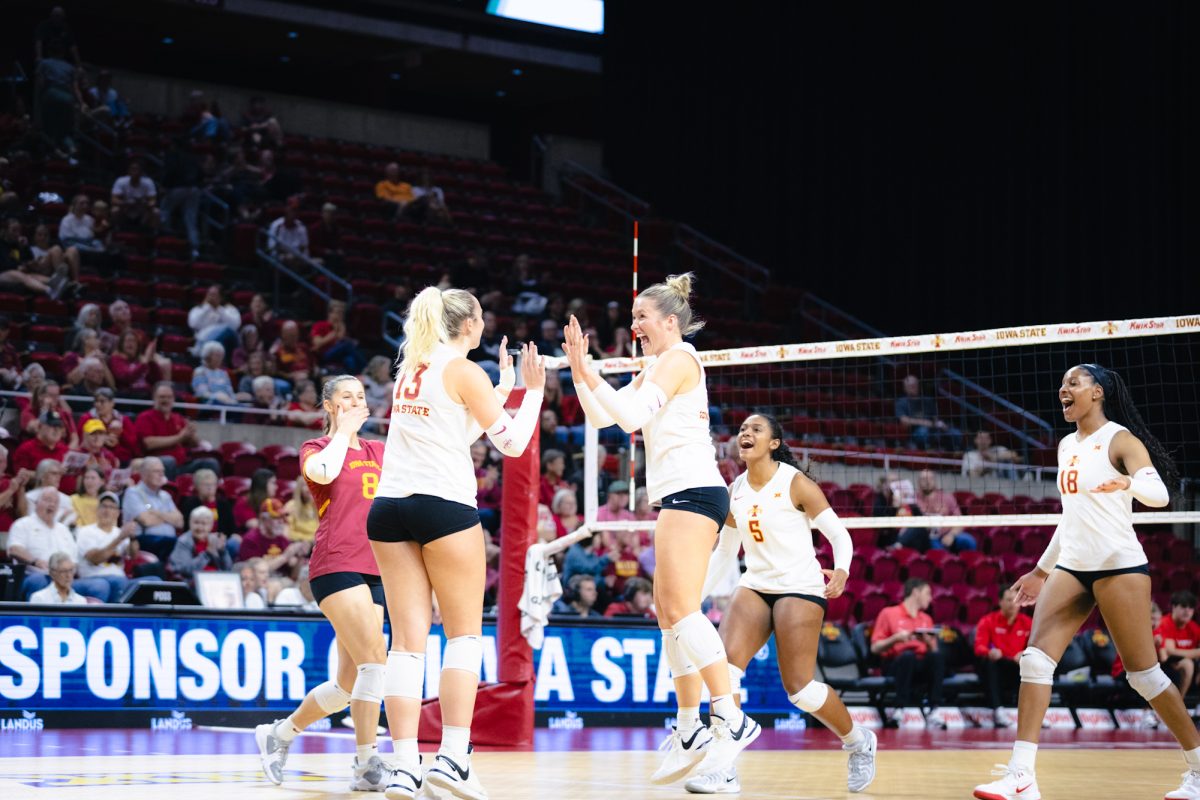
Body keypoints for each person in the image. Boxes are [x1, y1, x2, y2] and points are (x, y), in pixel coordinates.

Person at [562, 272, 757, 783]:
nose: (634, 325)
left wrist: (590, 371)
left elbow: (626, 416)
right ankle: (692, 726)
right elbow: (602, 418)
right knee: (667, 613)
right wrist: (583, 374)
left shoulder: (679, 358)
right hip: (680, 494)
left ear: (670, 321)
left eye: (641, 317)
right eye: (633, 318)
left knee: (679, 609)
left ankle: (729, 717)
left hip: (695, 491)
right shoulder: (655, 366)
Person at [974, 364, 1199, 800]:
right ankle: (1022, 776)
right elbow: (1070, 518)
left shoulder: (1120, 439)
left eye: (1073, 383)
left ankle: (1197, 766)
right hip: (1073, 566)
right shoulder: (1064, 446)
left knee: (1145, 676)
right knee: (1035, 661)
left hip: (1119, 565)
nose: (1063, 389)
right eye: (1061, 383)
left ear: (1097, 392)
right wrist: (1041, 570)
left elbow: (1160, 496)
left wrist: (1130, 482)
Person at [367, 285, 544, 799]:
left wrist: (502, 386)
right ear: (468, 325)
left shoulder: (412, 368)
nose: (485, 325)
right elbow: (510, 444)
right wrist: (528, 391)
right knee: (464, 637)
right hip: (442, 506)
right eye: (482, 318)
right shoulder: (465, 370)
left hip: (390, 509)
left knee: (406, 645)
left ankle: (403, 766)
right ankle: (452, 759)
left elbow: (450, 433)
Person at [688, 413, 875, 793]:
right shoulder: (734, 490)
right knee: (723, 670)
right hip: (755, 584)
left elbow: (839, 536)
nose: (746, 433)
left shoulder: (796, 483)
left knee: (800, 690)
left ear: (774, 443)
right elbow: (725, 551)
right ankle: (723, 768)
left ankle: (858, 741)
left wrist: (842, 570)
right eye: (742, 429)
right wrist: (692, 595)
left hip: (800, 586)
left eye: (756, 429)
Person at [254, 375, 399, 791]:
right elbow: (323, 471)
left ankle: (277, 735)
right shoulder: (315, 449)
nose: (356, 401)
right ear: (330, 406)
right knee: (376, 659)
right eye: (346, 397)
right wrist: (345, 432)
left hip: (376, 566)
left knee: (350, 683)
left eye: (361, 396)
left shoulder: (379, 450)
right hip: (336, 563)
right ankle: (367, 762)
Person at [870, 578, 945, 724]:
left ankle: (934, 708)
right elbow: (875, 648)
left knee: (937, 657)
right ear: (916, 592)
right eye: (928, 593)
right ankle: (899, 708)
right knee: (908, 656)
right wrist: (895, 639)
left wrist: (928, 643)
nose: (930, 598)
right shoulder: (889, 613)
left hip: (920, 663)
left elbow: (934, 650)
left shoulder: (926, 618)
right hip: (895, 662)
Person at [10, 491, 109, 601]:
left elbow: (74, 561)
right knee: (38, 580)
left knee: (100, 585)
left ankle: (86, 618)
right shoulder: (23, 524)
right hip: (37, 575)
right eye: (48, 500)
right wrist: (36, 561)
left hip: (66, 579)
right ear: (37, 503)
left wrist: (67, 572)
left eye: (55, 502)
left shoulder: (63, 529)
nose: (52, 504)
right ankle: (39, 617)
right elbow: (14, 549)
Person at [974, 584, 1032, 727]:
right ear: (1000, 602)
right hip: (997, 666)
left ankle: (1033, 713)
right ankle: (998, 710)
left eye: (1016, 600)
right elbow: (979, 646)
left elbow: (1035, 646)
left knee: (1035, 662)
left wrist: (1025, 653)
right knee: (989, 663)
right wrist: (990, 652)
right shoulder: (987, 621)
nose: (1012, 603)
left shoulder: (1027, 623)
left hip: (1016, 666)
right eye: (1008, 599)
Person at [133, 383, 208, 476]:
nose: (166, 400)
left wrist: (191, 434)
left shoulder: (178, 418)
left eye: (169, 397)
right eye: (162, 397)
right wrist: (180, 437)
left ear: (174, 399)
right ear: (154, 398)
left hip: (182, 464)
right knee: (169, 461)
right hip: (156, 465)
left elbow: (193, 444)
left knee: (209, 463)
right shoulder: (144, 417)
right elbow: (149, 443)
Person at [74, 490, 136, 601]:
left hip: (120, 579)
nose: (107, 511)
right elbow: (95, 559)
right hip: (92, 578)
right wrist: (120, 538)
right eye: (103, 506)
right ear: (97, 510)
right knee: (115, 582)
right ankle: (117, 617)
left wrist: (132, 537)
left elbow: (133, 555)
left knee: (154, 580)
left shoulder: (119, 532)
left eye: (112, 507)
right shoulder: (85, 531)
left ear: (117, 513)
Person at [121, 457, 184, 563]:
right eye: (156, 471)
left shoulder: (165, 496)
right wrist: (169, 518)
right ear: (144, 474)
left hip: (166, 542)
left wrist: (156, 513)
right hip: (143, 540)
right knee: (174, 543)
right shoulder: (133, 493)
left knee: (185, 543)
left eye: (162, 471)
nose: (161, 475)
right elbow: (147, 521)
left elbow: (180, 522)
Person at [900, 469, 976, 553]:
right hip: (926, 537)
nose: (927, 482)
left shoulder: (947, 497)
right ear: (918, 482)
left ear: (935, 481)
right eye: (924, 479)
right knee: (935, 547)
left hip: (947, 533)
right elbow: (906, 523)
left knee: (969, 541)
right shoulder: (912, 499)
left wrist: (951, 535)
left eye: (930, 479)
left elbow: (959, 521)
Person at [895, 374, 960, 451]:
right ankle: (929, 451)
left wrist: (941, 424)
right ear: (905, 388)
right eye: (910, 386)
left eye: (915, 385)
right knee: (924, 431)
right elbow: (904, 420)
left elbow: (935, 417)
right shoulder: (901, 402)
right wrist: (925, 422)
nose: (913, 387)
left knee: (955, 433)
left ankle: (952, 452)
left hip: (933, 428)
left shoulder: (928, 400)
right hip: (915, 431)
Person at [169, 506, 232, 579]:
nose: (199, 527)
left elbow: (228, 569)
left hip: (217, 581)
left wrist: (222, 552)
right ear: (190, 523)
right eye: (196, 522)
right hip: (194, 583)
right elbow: (185, 570)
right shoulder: (184, 541)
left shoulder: (214, 540)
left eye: (204, 523)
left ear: (211, 526)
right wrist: (206, 554)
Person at [1158, 591, 1200, 700]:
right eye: (1183, 606)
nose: (1187, 611)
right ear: (1174, 607)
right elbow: (1170, 651)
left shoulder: (1193, 627)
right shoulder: (1164, 623)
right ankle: (1180, 703)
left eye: (1191, 608)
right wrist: (1196, 653)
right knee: (1188, 664)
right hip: (1163, 664)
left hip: (1182, 665)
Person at [188, 284, 242, 354]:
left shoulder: (229, 309)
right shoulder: (198, 309)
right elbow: (193, 324)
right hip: (204, 341)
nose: (211, 297)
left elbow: (234, 326)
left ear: (221, 297)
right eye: (209, 294)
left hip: (225, 344)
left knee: (226, 329)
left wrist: (218, 309)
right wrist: (206, 308)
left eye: (214, 295)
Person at [110, 159, 158, 231]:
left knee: (156, 212)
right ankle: (116, 231)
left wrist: (144, 203)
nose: (135, 171)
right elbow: (113, 200)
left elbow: (153, 201)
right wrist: (126, 203)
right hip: (126, 209)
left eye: (137, 169)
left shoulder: (148, 182)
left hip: (142, 211)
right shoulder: (121, 181)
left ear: (141, 171)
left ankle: (152, 233)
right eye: (132, 169)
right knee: (114, 210)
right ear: (128, 170)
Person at [192, 342, 239, 406]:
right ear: (207, 356)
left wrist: (235, 398)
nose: (220, 359)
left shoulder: (223, 373)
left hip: (227, 403)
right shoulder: (200, 371)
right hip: (209, 404)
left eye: (221, 356)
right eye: (217, 355)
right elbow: (202, 393)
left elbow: (230, 392)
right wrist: (217, 396)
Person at [284, 478, 318, 545]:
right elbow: (287, 532)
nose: (310, 488)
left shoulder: (317, 506)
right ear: (299, 489)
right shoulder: (291, 506)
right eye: (306, 485)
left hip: (316, 543)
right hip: (298, 543)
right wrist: (308, 540)